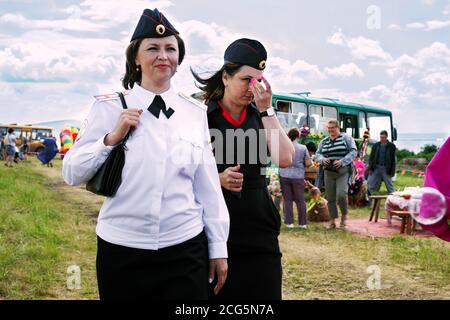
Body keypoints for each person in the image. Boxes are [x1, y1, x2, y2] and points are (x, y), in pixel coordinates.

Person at [62, 8, 229, 300]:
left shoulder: (194, 113)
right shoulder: (109, 107)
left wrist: (218, 247)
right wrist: (111, 138)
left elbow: (207, 187)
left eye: (170, 49)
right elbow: (71, 172)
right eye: (152, 48)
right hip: (122, 249)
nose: (163, 55)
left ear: (179, 58)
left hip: (185, 247)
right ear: (135, 58)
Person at [192, 38, 294, 300]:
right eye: (246, 79)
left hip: (259, 231)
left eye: (257, 81)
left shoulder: (260, 116)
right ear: (225, 77)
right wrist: (217, 179)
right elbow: (180, 172)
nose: (253, 87)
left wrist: (266, 110)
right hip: (214, 234)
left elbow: (284, 158)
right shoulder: (201, 117)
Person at [315, 119, 357, 229]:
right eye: (328, 128)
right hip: (328, 173)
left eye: (332, 128)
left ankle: (344, 216)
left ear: (338, 128)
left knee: (341, 195)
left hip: (342, 172)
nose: (330, 130)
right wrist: (322, 159)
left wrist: (342, 161)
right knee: (331, 198)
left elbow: (353, 151)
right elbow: (317, 154)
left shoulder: (346, 138)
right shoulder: (324, 141)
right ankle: (332, 220)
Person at [279, 128, 312, 229]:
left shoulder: (284, 147)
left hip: (284, 174)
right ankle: (302, 223)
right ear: (298, 136)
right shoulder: (302, 148)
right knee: (300, 199)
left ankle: (289, 223)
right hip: (298, 176)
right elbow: (308, 163)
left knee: (287, 199)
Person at [367, 130, 396, 195]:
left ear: (386, 137)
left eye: (383, 137)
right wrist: (370, 168)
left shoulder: (391, 146)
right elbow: (371, 157)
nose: (382, 139)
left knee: (390, 186)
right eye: (381, 137)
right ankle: (368, 198)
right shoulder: (376, 145)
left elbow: (393, 160)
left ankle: (393, 199)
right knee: (369, 183)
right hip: (376, 167)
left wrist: (392, 171)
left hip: (386, 168)